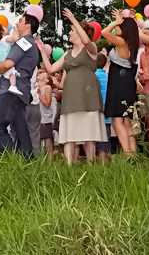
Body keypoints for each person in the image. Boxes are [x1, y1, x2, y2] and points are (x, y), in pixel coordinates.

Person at [40, 8, 106, 163]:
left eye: (72, 30)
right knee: (70, 135)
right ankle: (69, 167)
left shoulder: (91, 50)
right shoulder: (67, 54)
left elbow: (86, 41)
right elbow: (51, 69)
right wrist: (42, 51)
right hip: (71, 98)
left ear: (79, 31)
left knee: (90, 135)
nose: (69, 33)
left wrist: (73, 19)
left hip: (88, 97)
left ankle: (91, 165)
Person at [0, 13, 40, 157]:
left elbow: (8, 64)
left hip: (12, 91)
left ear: (28, 26)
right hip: (21, 92)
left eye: (20, 21)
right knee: (20, 130)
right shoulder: (30, 44)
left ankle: (10, 159)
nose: (16, 23)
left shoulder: (23, 43)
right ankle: (28, 162)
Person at [102, 8, 140, 156]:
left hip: (119, 83)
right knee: (126, 121)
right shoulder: (131, 43)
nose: (116, 27)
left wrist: (116, 22)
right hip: (126, 82)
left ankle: (127, 153)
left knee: (117, 120)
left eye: (119, 26)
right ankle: (133, 152)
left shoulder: (122, 42)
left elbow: (104, 33)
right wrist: (121, 18)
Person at [37, 69, 55, 158]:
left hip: (46, 119)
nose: (40, 74)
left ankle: (50, 163)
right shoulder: (35, 87)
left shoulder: (47, 88)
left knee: (48, 143)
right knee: (38, 143)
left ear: (47, 80)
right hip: (37, 119)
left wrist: (39, 95)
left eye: (43, 74)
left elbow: (47, 103)